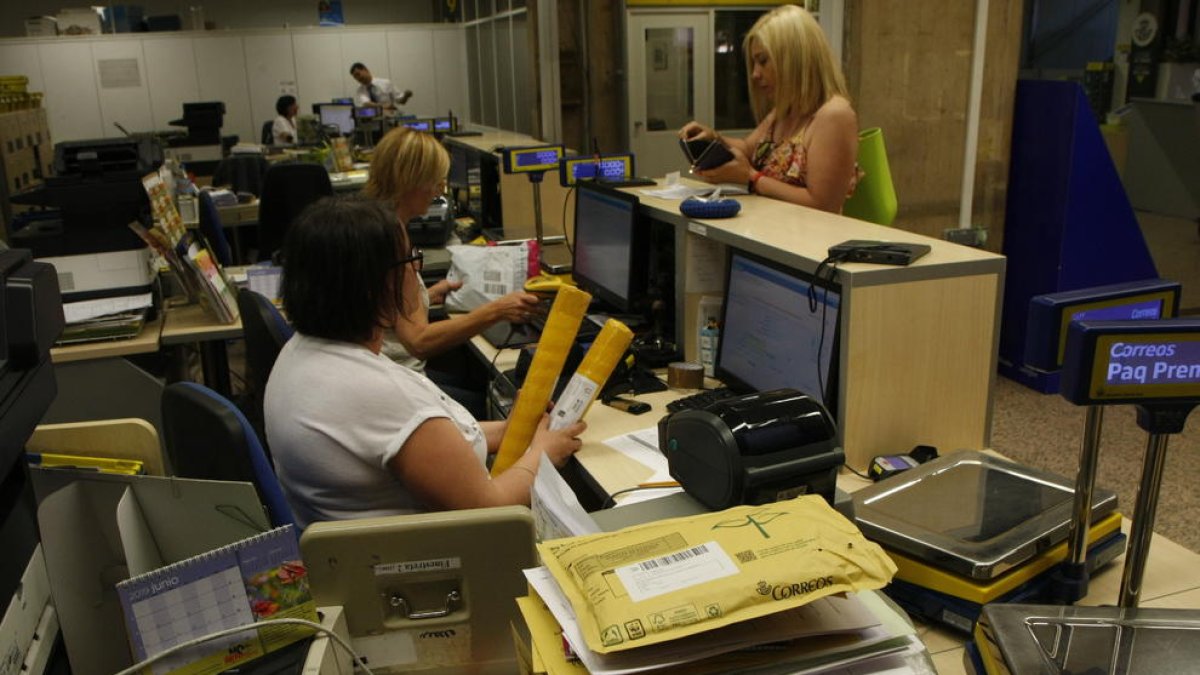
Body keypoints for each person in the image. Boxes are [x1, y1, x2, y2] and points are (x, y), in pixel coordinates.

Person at [265, 195, 586, 529]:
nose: (416, 271)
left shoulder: (298, 353)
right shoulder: (377, 394)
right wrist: (545, 453)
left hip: (359, 564)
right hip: (427, 568)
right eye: (409, 260)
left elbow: (427, 449)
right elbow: (490, 506)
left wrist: (510, 430)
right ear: (381, 283)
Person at [365, 127, 541, 413]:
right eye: (435, 180)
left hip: (388, 373)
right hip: (400, 381)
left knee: (474, 384)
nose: (441, 189)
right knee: (489, 400)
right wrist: (497, 310)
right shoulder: (390, 238)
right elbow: (418, 342)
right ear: (411, 179)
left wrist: (429, 294)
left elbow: (389, 304)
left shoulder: (376, 221)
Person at [678, 4, 859, 213]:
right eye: (754, 63)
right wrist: (713, 139)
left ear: (794, 59)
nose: (755, 74)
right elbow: (747, 149)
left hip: (805, 241)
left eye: (763, 61)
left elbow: (822, 204)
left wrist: (752, 178)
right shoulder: (784, 112)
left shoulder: (834, 116)